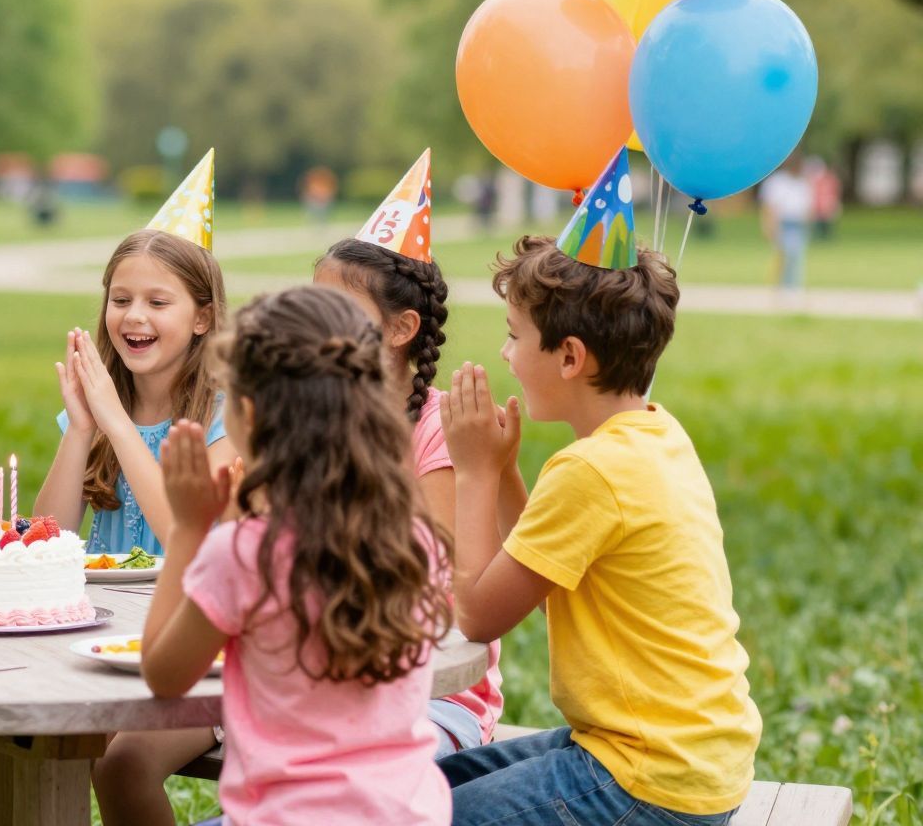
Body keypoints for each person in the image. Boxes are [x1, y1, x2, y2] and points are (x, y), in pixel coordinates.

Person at [438, 230, 760, 824]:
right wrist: (506, 471)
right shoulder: (657, 435)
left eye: (514, 334)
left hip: (647, 778)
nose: (506, 353)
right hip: (683, 755)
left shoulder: (590, 469)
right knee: (414, 783)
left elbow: (480, 616)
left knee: (414, 813)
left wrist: (476, 473)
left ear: (569, 356)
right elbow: (548, 587)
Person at [139, 286, 456, 826]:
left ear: (247, 414)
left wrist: (191, 528)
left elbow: (164, 674)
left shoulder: (244, 554)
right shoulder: (414, 540)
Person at [41, 157, 235, 823]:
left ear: (204, 317)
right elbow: (50, 541)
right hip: (106, 640)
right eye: (120, 300)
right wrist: (82, 429)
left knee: (120, 763)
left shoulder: (225, 416)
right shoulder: (101, 411)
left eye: (158, 302)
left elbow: (195, 529)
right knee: (43, 733)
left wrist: (117, 425)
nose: (133, 317)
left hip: (202, 652)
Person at [311, 151, 504, 758]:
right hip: (329, 674)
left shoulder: (438, 431)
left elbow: (438, 600)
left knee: (348, 769)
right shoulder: (316, 426)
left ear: (401, 330)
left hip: (434, 694)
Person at [759, 154, 812, 291]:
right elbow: (770, 206)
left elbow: (806, 206)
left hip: (798, 223)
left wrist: (807, 223)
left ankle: (792, 286)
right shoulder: (777, 182)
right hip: (783, 222)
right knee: (784, 255)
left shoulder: (802, 182)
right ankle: (782, 286)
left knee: (796, 255)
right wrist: (769, 225)